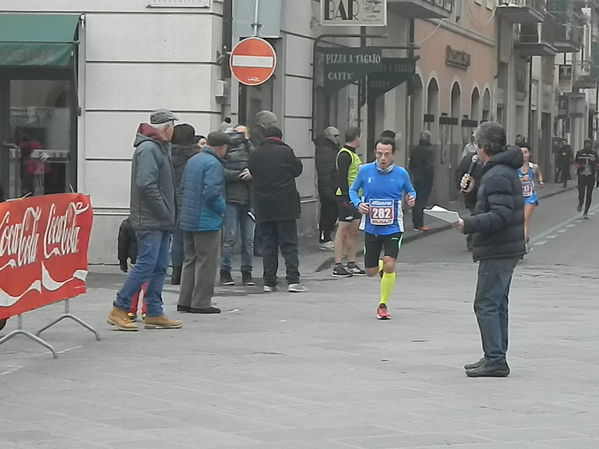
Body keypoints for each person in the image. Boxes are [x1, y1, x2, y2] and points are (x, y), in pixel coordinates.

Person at [453, 121, 525, 378]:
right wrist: (471, 192)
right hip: (504, 247)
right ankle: (494, 355)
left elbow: (500, 215)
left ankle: (495, 360)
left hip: (498, 248)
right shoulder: (498, 172)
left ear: (484, 147)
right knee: (497, 303)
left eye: (476, 145)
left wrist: (467, 224)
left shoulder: (498, 174)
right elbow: (489, 205)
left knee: (486, 303)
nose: (475, 151)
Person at [108, 109, 182, 331]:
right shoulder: (149, 149)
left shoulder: (158, 147)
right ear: (167, 129)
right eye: (173, 127)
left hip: (159, 219)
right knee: (146, 264)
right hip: (151, 219)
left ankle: (153, 311)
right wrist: (163, 211)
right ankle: (119, 308)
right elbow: (146, 185)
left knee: (158, 266)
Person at [349, 137, 416, 320]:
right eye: (379, 154)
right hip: (371, 226)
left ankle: (382, 304)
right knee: (370, 271)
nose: (382, 158)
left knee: (390, 263)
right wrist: (358, 204)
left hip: (393, 226)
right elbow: (353, 190)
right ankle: (380, 268)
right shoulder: (364, 171)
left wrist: (411, 198)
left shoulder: (401, 173)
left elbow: (411, 190)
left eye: (387, 154)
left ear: (393, 154)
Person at [248, 126, 307, 293]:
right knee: (288, 243)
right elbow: (297, 170)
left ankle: (269, 282)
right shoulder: (286, 152)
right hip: (285, 204)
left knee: (268, 244)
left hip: (263, 204)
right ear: (280, 137)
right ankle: (293, 280)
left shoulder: (255, 153)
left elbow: (252, 171)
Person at [177, 131, 230, 314]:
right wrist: (223, 208)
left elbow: (182, 188)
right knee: (206, 262)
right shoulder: (213, 163)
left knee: (190, 260)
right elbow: (212, 193)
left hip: (188, 218)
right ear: (221, 147)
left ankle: (184, 300)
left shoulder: (193, 160)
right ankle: (201, 302)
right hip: (206, 219)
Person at [219, 125, 255, 286]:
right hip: (233, 199)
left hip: (246, 200)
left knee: (243, 239)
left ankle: (241, 271)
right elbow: (221, 172)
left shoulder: (248, 149)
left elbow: (258, 164)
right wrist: (242, 176)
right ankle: (229, 271)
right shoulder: (225, 150)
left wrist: (248, 142)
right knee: (234, 238)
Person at [332, 127, 365, 278]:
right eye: (359, 137)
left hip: (356, 198)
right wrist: (346, 196)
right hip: (347, 197)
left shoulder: (353, 154)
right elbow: (342, 177)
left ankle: (351, 262)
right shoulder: (345, 154)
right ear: (356, 138)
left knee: (354, 230)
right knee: (343, 229)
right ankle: (338, 264)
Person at [170, 123, 199, 285]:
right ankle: (189, 273)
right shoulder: (195, 157)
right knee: (191, 240)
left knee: (177, 238)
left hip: (171, 199)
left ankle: (176, 272)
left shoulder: (167, 155)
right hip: (190, 198)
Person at [314, 126, 340, 250]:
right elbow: (324, 170)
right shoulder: (324, 149)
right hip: (328, 185)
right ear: (328, 136)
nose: (337, 138)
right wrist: (327, 188)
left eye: (338, 135)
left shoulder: (333, 148)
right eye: (335, 135)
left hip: (333, 184)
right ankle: (324, 238)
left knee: (333, 211)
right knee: (327, 212)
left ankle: (327, 237)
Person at [117, 217, 147, 321]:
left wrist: (123, 262)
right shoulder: (150, 223)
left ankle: (131, 311)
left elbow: (122, 246)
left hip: (135, 260)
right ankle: (146, 311)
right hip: (148, 258)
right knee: (147, 286)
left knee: (134, 285)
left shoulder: (127, 223)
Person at [455, 151, 484, 251]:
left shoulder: (491, 159)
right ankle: (472, 240)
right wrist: (463, 188)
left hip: (484, 193)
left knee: (479, 216)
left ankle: (475, 239)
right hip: (472, 195)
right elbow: (460, 173)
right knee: (476, 214)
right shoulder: (470, 159)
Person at [409, 130, 435, 231]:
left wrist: (415, 173)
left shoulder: (414, 150)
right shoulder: (429, 151)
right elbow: (429, 167)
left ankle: (416, 223)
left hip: (416, 178)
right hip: (425, 179)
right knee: (421, 202)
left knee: (416, 200)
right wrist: (430, 179)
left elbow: (411, 164)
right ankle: (419, 224)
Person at [518, 144, 544, 243]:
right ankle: (525, 237)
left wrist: (540, 182)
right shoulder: (514, 167)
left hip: (530, 197)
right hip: (518, 197)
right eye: (521, 153)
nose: (523, 155)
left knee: (524, 220)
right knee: (517, 221)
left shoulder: (533, 167)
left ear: (529, 154)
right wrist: (520, 180)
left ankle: (523, 244)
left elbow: (539, 173)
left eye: (525, 152)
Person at [574, 139, 599, 218]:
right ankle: (580, 203)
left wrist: (594, 165)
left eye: (589, 144)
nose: (587, 145)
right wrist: (579, 167)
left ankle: (586, 212)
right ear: (584, 144)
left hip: (591, 176)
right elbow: (575, 162)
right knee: (581, 192)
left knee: (589, 194)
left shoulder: (594, 153)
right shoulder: (580, 153)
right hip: (582, 176)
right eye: (586, 144)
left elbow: (598, 163)